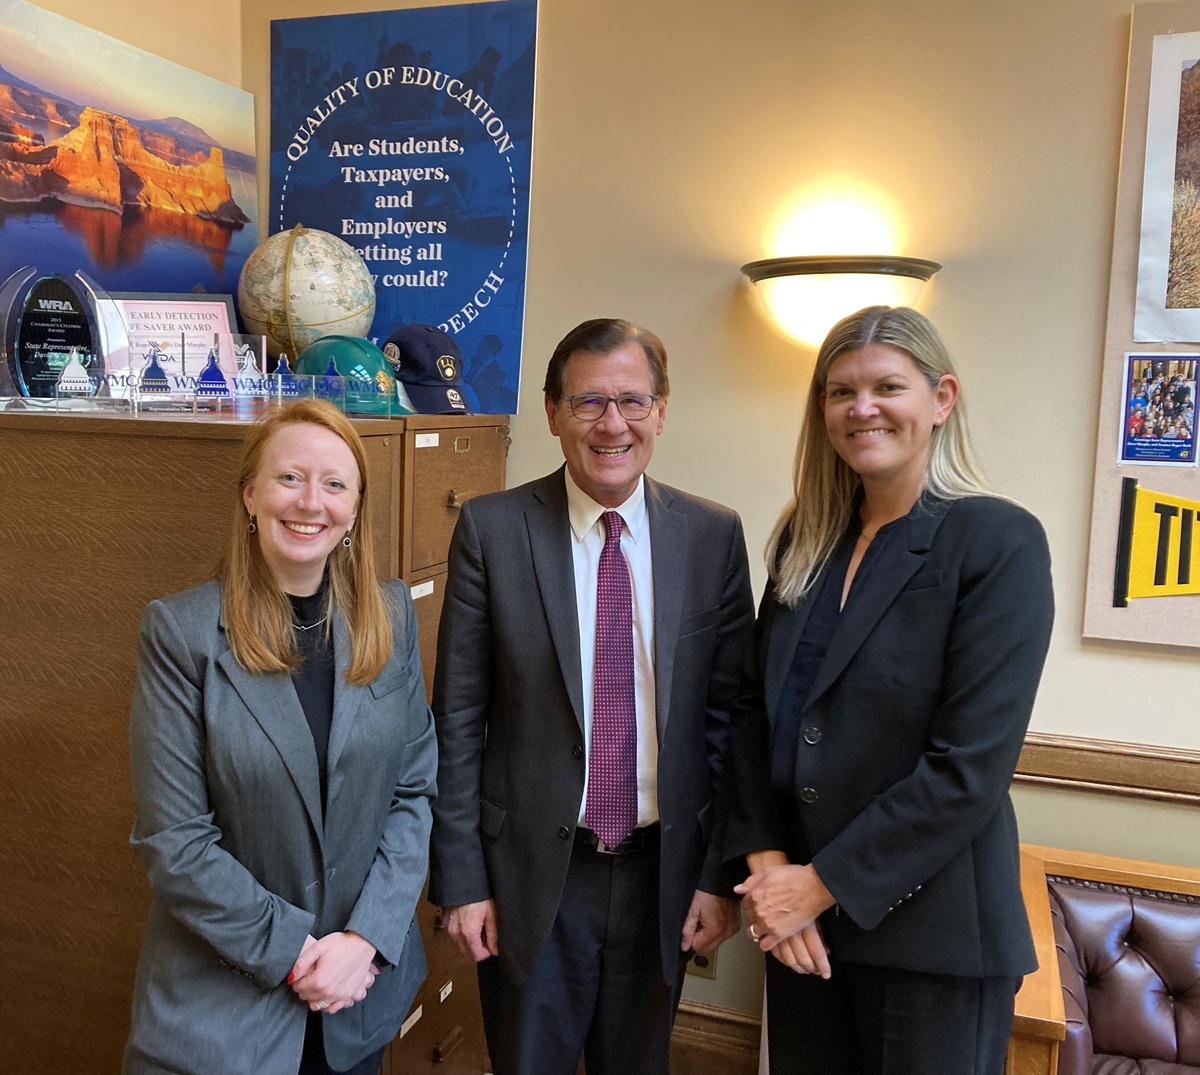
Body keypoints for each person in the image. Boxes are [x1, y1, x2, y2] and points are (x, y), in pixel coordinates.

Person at [724, 306, 1054, 1074]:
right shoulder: (804, 541)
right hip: (802, 932)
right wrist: (772, 869)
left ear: (941, 398)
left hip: (927, 939)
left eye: (886, 386)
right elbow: (750, 715)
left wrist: (818, 885)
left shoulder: (995, 541)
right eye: (840, 391)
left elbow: (967, 768)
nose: (861, 407)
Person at [429, 318, 755, 1075]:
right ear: (551, 413)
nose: (613, 423)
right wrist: (463, 881)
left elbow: (730, 722)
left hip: (661, 876)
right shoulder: (493, 529)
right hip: (532, 877)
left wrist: (716, 874)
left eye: (633, 400)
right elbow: (459, 720)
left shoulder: (712, 536)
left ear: (662, 411)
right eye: (588, 402)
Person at [123, 399, 437, 1075]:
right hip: (225, 1008)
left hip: (360, 994)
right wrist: (300, 952)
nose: (310, 502)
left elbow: (413, 792)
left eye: (334, 484)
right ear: (251, 494)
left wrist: (364, 938)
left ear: (355, 507)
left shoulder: (389, 615)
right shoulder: (181, 634)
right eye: (289, 477)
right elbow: (174, 842)